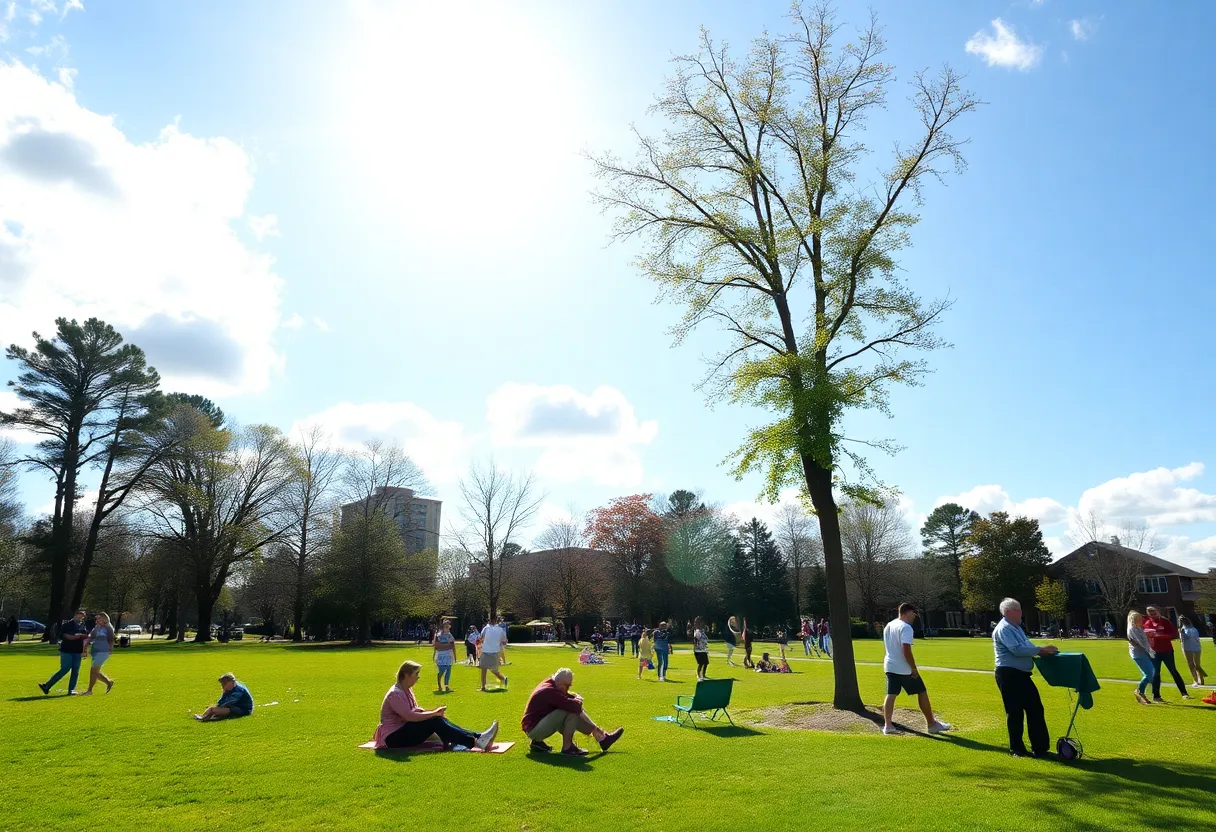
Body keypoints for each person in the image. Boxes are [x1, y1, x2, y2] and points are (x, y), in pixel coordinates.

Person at [372, 660, 498, 750]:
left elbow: (415, 712)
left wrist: (434, 714)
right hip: (393, 737)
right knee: (435, 721)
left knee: (437, 719)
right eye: (416, 674)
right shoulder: (395, 694)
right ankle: (476, 741)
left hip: (402, 731)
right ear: (406, 675)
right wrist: (433, 713)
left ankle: (479, 737)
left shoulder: (406, 690)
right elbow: (409, 716)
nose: (418, 677)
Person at [992, 598, 1058, 758]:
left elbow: (1026, 645)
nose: (1021, 612)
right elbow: (1017, 650)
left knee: (1035, 708)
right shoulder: (1005, 628)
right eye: (1018, 609)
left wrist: (1042, 650)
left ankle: (1040, 748)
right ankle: (1017, 749)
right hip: (1009, 674)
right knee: (1014, 712)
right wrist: (1041, 650)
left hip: (1020, 675)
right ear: (1009, 612)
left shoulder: (1016, 628)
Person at [881, 603, 952, 736]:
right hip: (904, 668)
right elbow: (906, 650)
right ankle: (932, 724)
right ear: (908, 612)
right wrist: (913, 668)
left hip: (890, 666)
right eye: (914, 613)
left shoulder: (889, 625)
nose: (914, 616)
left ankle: (888, 725)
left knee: (891, 694)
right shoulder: (906, 627)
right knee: (922, 691)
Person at [521, 667, 623, 756]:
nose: (568, 688)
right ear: (560, 681)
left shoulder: (551, 683)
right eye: (566, 686)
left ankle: (601, 738)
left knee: (570, 709)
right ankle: (568, 747)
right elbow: (575, 707)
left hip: (534, 726)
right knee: (571, 711)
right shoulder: (550, 691)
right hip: (534, 730)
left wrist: (573, 697)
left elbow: (566, 697)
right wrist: (577, 698)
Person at [1144, 606, 1190, 701]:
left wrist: (1161, 636)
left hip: (1167, 650)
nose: (1153, 615)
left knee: (1173, 670)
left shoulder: (1165, 621)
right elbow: (1145, 636)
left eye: (1154, 612)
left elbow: (1173, 634)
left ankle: (1184, 693)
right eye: (1150, 613)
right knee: (1156, 673)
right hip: (1154, 652)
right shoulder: (1148, 623)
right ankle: (1156, 696)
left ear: (1158, 611)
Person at [38, 610, 89, 695]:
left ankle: (71, 690)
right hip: (66, 650)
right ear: (75, 615)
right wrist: (77, 636)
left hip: (77, 651)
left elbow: (85, 637)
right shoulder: (67, 625)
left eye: (82, 617)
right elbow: (66, 636)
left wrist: (84, 650)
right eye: (79, 616)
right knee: (65, 669)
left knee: (75, 671)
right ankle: (47, 685)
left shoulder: (82, 626)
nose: (80, 618)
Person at [1126, 611, 1156, 705]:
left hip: (1143, 652)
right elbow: (1141, 642)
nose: (1141, 620)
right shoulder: (1133, 629)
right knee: (1149, 673)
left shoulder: (1139, 628)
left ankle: (1140, 691)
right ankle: (1140, 691)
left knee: (1150, 672)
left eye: (1140, 618)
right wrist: (1150, 650)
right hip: (1138, 654)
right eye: (1138, 619)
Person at [82, 612, 116, 695]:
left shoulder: (108, 628)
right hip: (95, 651)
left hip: (103, 651)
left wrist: (110, 649)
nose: (97, 620)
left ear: (104, 619)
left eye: (99, 618)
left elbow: (111, 639)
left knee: (93, 671)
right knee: (95, 671)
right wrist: (85, 648)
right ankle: (109, 682)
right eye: (97, 618)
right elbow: (91, 638)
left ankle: (89, 690)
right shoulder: (96, 628)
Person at [478, 619, 509, 692]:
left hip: (492, 651)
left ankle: (503, 679)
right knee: (485, 669)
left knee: (492, 670)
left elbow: (504, 641)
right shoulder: (488, 628)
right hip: (489, 651)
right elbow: (504, 641)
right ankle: (483, 687)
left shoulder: (497, 629)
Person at [1178, 615, 1207, 687]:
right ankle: (1198, 679)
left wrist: (1182, 633)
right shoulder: (1191, 629)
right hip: (1192, 648)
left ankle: (1199, 679)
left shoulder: (1188, 629)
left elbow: (1187, 638)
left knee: (1194, 665)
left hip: (1191, 648)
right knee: (1194, 664)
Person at [432, 620, 457, 692]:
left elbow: (452, 645)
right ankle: (439, 685)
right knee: (442, 670)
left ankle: (447, 686)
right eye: (446, 626)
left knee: (448, 670)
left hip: (448, 655)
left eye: (448, 626)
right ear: (443, 627)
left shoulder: (450, 635)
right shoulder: (438, 635)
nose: (447, 628)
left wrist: (454, 656)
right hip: (441, 655)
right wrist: (446, 645)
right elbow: (436, 646)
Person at [692, 616, 709, 681]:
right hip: (698, 650)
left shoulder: (702, 631)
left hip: (704, 649)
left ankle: (703, 675)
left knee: (706, 663)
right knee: (701, 663)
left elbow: (706, 639)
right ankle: (698, 675)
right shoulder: (697, 632)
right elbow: (695, 640)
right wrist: (695, 648)